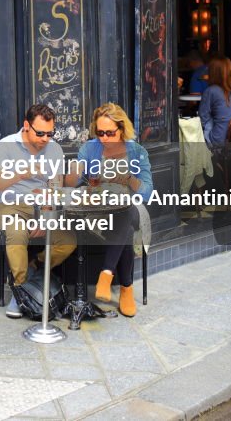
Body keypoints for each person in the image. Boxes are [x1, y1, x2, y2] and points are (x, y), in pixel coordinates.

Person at [0, 104, 76, 319]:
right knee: (17, 232)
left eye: (50, 133)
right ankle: (21, 290)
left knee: (68, 240)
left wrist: (45, 218)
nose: (45, 138)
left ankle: (33, 267)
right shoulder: (5, 146)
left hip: (42, 206)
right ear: (26, 126)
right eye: (40, 133)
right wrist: (20, 174)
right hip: (10, 204)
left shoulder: (54, 149)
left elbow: (55, 188)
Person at [72, 103, 153, 317]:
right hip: (97, 209)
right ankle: (125, 287)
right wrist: (80, 180)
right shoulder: (89, 149)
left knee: (124, 214)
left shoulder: (137, 152)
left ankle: (108, 276)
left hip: (130, 207)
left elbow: (147, 191)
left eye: (110, 133)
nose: (104, 138)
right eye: (100, 133)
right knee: (123, 227)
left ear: (122, 129)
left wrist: (128, 180)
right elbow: (76, 182)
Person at [198, 56, 231, 147]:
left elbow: (202, 119)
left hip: (220, 139)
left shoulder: (211, 91)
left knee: (205, 123)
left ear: (212, 72)